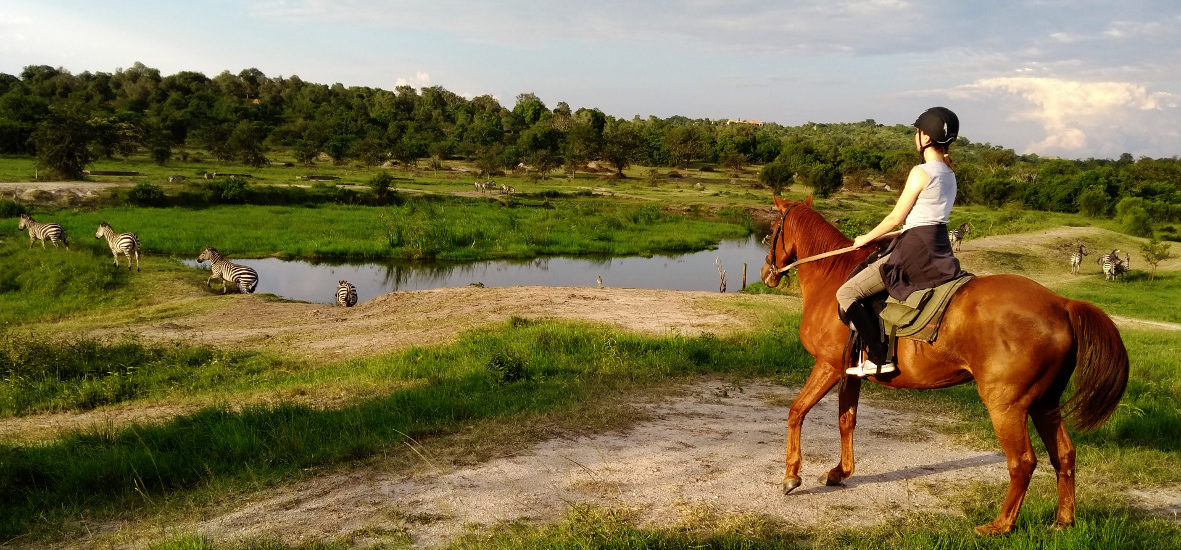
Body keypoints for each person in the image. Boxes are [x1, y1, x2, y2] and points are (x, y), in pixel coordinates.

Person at [836, 106, 967, 377]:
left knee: (846, 293)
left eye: (917, 132)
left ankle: (880, 358)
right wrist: (882, 238)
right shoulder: (949, 173)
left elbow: (896, 217)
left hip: (914, 250)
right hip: (936, 246)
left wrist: (865, 237)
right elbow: (925, 222)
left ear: (926, 138)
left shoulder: (921, 171)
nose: (915, 136)